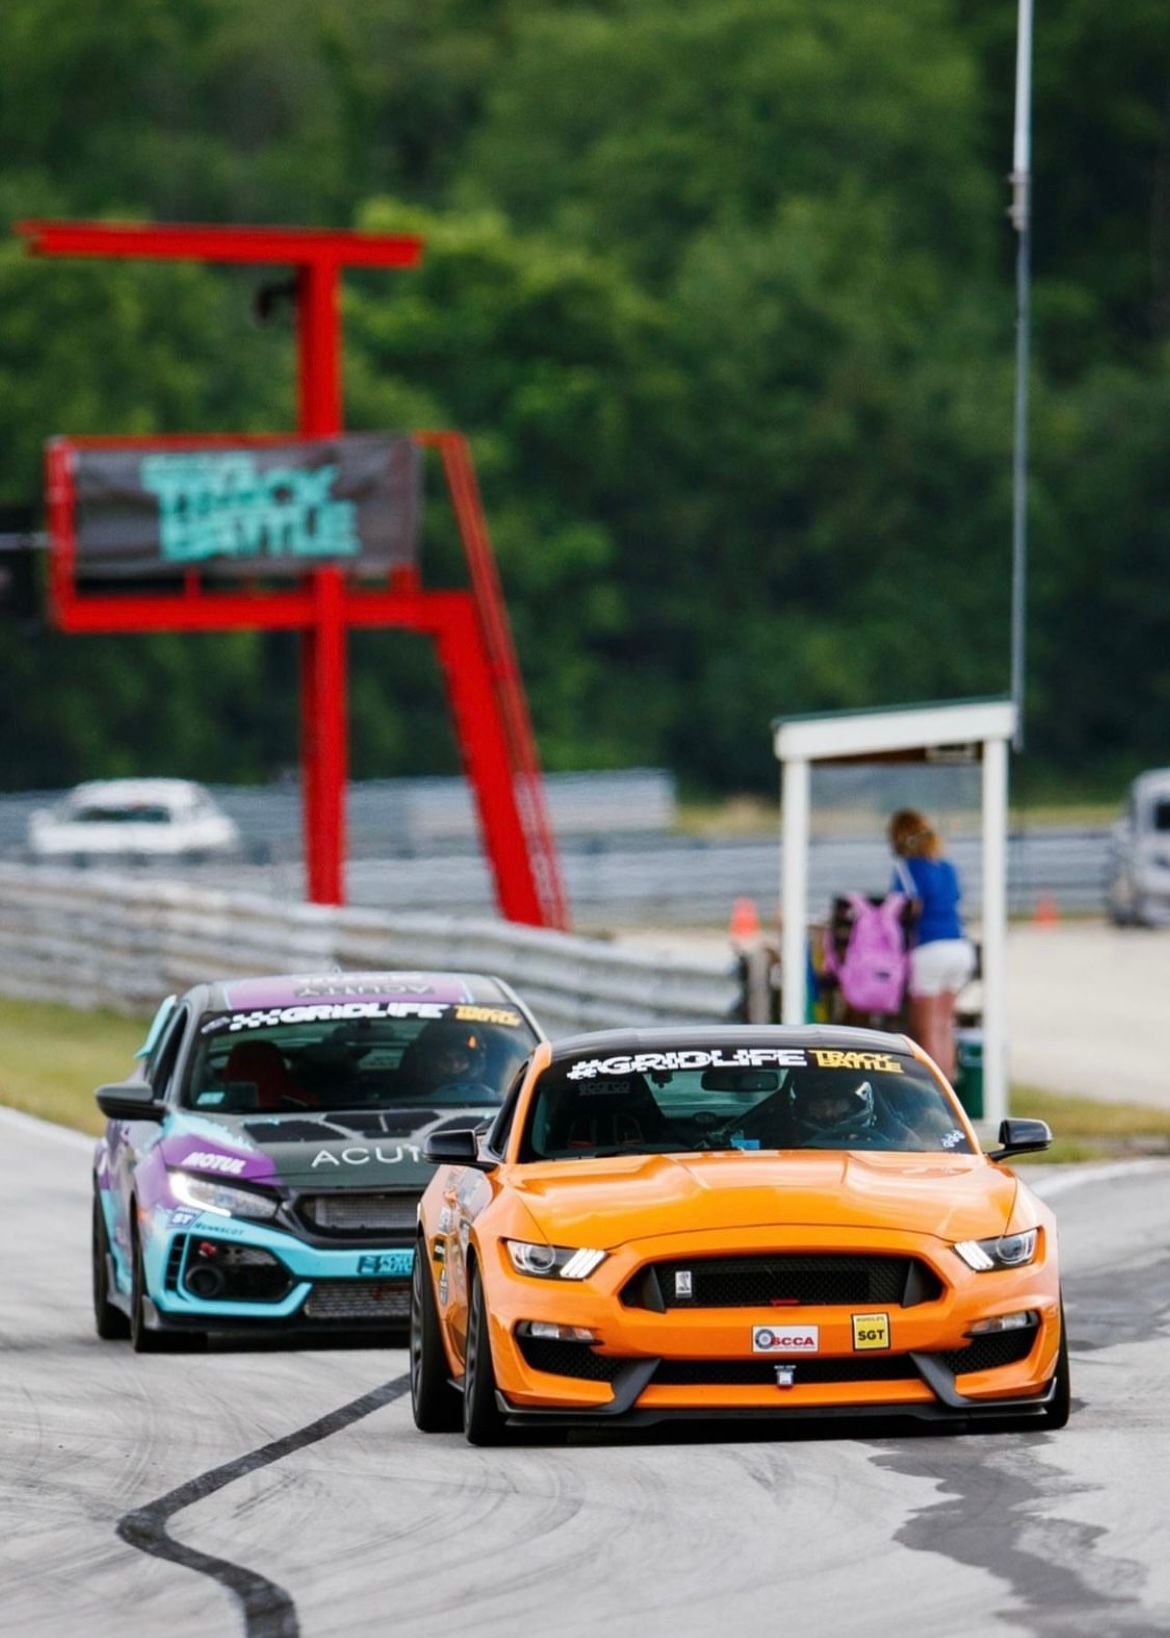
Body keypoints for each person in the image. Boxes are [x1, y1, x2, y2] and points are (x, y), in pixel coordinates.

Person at [888, 808, 976, 1080]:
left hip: (930, 947)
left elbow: (910, 907)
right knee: (944, 1024)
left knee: (925, 1026)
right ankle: (948, 1082)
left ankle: (932, 1089)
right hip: (959, 946)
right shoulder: (947, 867)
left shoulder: (908, 868)